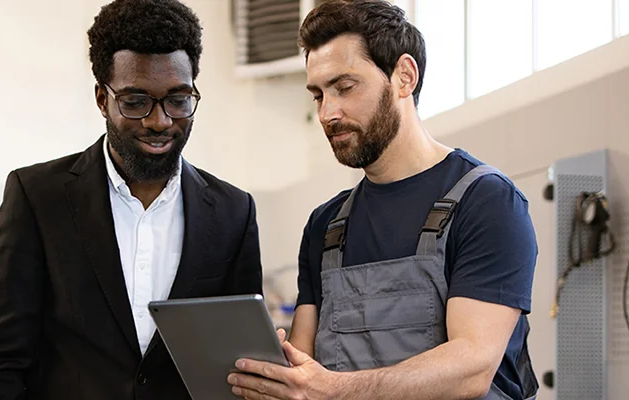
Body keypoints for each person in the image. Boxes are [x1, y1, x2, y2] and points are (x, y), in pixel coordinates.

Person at [227, 1, 539, 399]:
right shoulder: (326, 226)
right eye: (318, 95)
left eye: (344, 87)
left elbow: (471, 366)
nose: (327, 113)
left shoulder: (487, 202)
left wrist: (335, 390)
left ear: (404, 77)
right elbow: (304, 365)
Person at [0, 1, 263, 399]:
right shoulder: (37, 197)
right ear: (102, 99)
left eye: (178, 100)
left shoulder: (233, 212)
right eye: (136, 101)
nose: (160, 121)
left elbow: (241, 372)